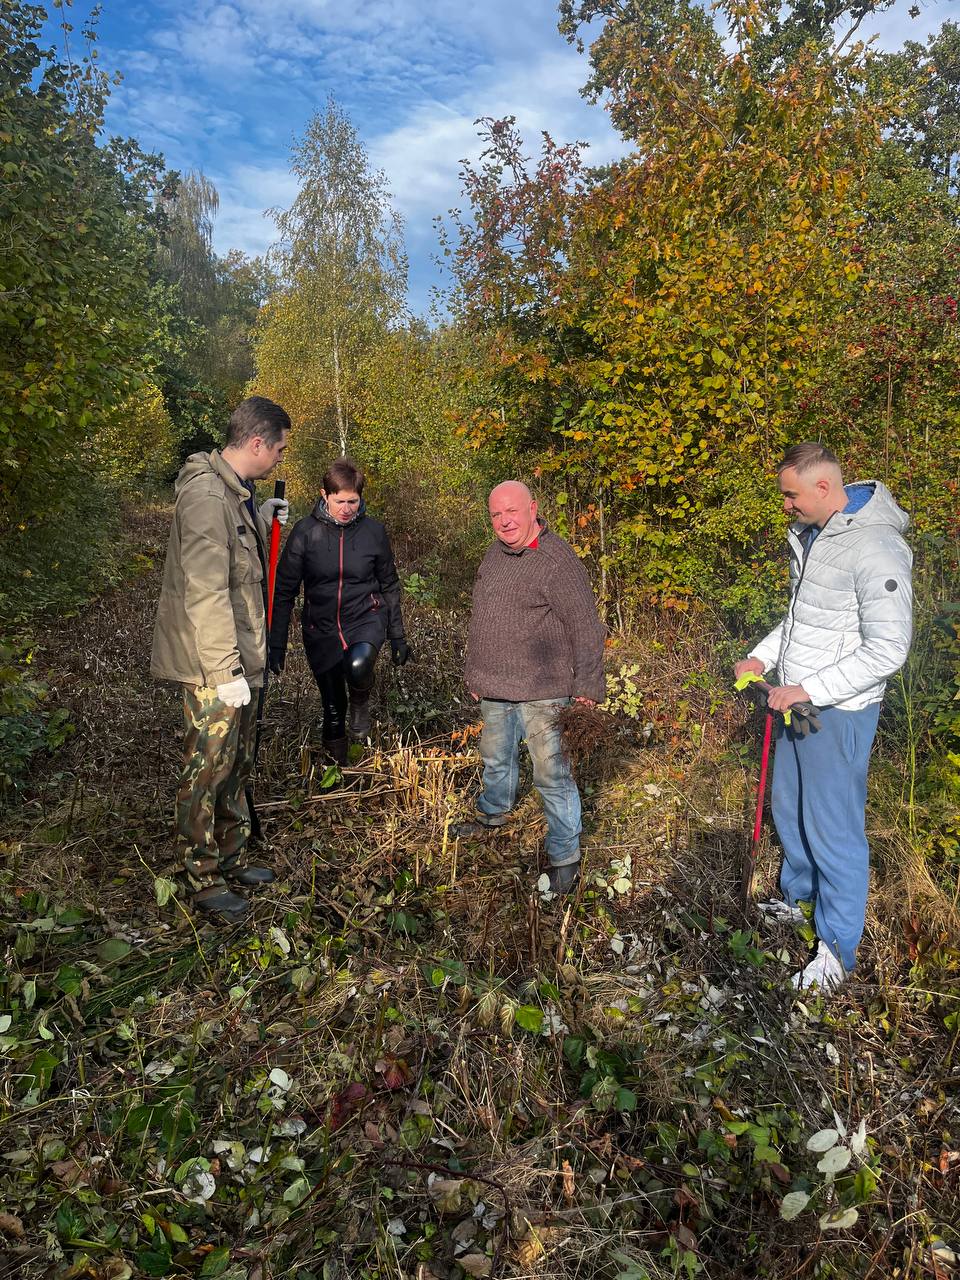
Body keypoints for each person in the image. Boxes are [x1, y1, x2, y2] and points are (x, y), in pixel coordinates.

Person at [734, 441, 913, 991]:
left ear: (822, 487)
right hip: (796, 702)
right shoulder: (814, 536)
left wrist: (810, 687)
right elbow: (802, 621)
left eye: (790, 495)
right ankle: (799, 899)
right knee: (790, 808)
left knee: (834, 828)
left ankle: (837, 948)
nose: (784, 505)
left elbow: (889, 648)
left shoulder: (875, 546)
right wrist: (763, 656)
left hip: (839, 713)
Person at [151, 396, 291, 919]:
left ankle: (231, 855)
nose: (279, 458)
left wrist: (258, 517)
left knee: (238, 761)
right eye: (277, 449)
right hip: (216, 666)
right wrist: (226, 670)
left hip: (241, 655)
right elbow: (206, 591)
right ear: (256, 443)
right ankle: (202, 875)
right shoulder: (206, 496)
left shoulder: (234, 495)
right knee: (207, 768)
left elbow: (235, 564)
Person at [457, 480, 606, 894]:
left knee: (552, 774)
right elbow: (484, 615)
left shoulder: (556, 561)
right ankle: (493, 815)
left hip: (544, 688)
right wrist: (475, 671)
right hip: (495, 686)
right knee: (495, 759)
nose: (504, 521)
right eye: (496, 514)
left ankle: (564, 855)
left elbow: (586, 626)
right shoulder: (495, 554)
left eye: (512, 512)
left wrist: (588, 686)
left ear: (533, 508)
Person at [268, 457, 409, 763]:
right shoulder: (305, 533)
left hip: (365, 617)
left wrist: (397, 636)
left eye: (353, 501)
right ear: (324, 495)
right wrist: (276, 642)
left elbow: (389, 585)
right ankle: (340, 771)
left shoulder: (374, 532)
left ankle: (361, 698)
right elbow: (284, 590)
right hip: (321, 627)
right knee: (333, 707)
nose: (347, 509)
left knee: (358, 666)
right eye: (340, 501)